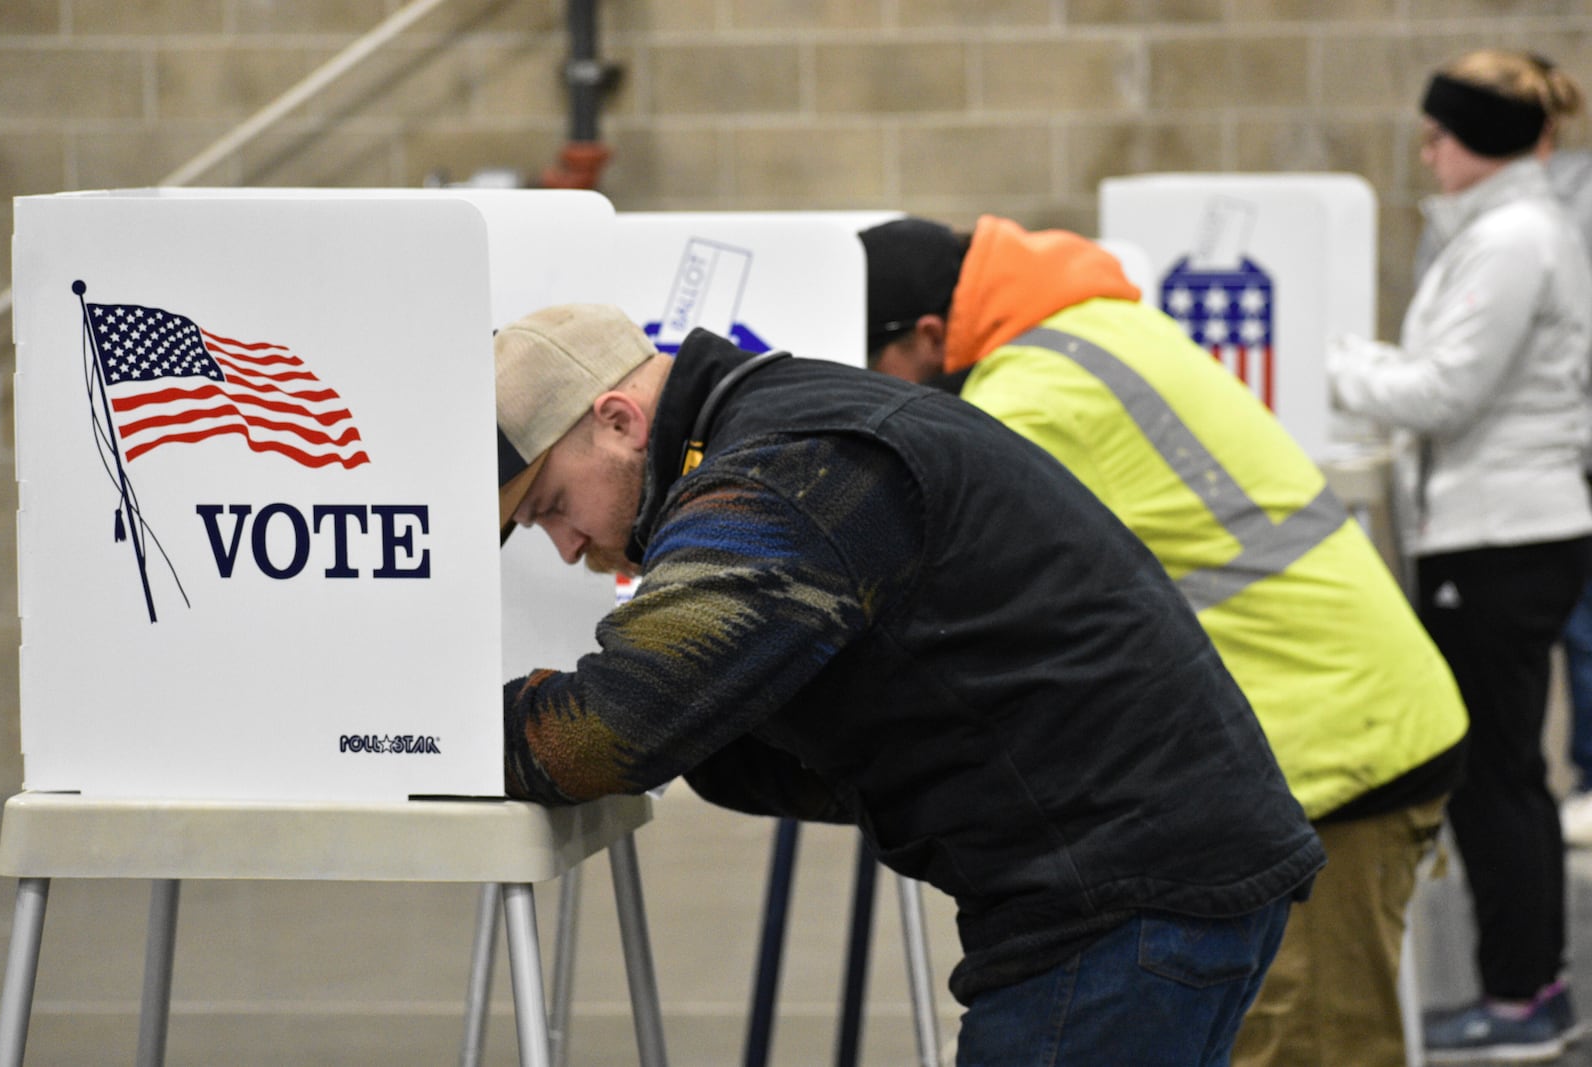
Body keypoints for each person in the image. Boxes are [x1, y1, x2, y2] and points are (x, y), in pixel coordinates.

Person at [494, 302, 1324, 1066]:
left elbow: (601, 736)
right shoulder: (792, 421)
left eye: (554, 506)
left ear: (618, 420)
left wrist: (436, 732)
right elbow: (730, 741)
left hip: (1118, 896)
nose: (567, 546)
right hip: (1154, 872)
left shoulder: (786, 470)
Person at [859, 214, 1468, 1067]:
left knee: (1304, 1049)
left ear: (926, 335)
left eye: (867, 364)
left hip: (1325, 747)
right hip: (1335, 705)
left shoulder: (1028, 401)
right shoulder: (1092, 325)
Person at [1328, 48, 1592, 1062]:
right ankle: (1531, 985)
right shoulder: (1504, 230)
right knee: (1503, 771)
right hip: (1498, 529)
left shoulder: (1515, 237)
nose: (1427, 152)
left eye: (1440, 135)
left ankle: (1521, 997)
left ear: (1480, 140)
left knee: (1494, 776)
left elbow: (1443, 391)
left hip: (1501, 536)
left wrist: (1334, 361)